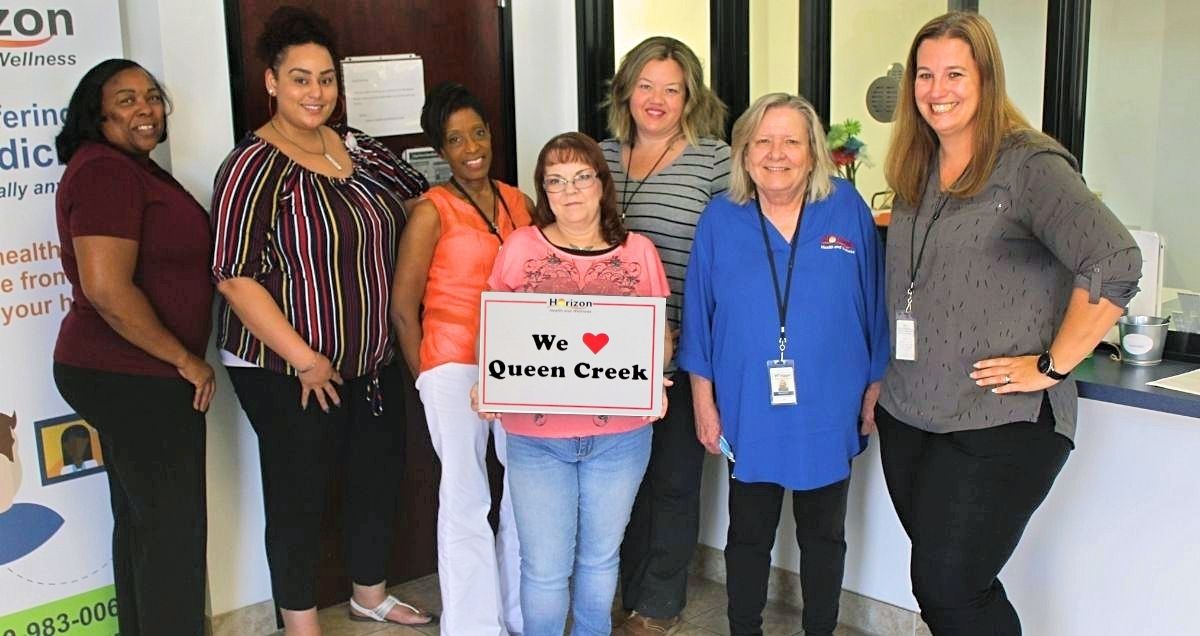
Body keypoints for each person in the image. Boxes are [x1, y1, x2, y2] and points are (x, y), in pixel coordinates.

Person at [877, 12, 1142, 635]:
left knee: (950, 587)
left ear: (987, 79)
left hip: (1001, 420)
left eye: (954, 74)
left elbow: (1114, 260)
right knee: (948, 588)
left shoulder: (1027, 164)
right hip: (911, 415)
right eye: (924, 75)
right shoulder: (917, 169)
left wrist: (1053, 364)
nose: (936, 89)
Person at [209, 7, 431, 634]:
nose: (316, 93)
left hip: (370, 358)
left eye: (326, 79)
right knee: (299, 496)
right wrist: (305, 358)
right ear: (272, 81)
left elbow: (423, 200)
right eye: (300, 78)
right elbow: (233, 274)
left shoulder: (354, 146)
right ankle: (300, 624)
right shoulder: (253, 165)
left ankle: (369, 595)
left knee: (376, 477)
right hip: (285, 368)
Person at [677, 93, 889, 636]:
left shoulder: (847, 210)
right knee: (748, 535)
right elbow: (699, 316)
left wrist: (873, 387)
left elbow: (875, 304)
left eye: (792, 140)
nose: (777, 153)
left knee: (825, 535)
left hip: (829, 404)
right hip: (748, 405)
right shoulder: (721, 219)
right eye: (763, 141)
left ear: (813, 152)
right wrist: (703, 400)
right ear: (745, 154)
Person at [476, 132, 671, 636]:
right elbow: (498, 330)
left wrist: (655, 376)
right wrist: (487, 380)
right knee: (543, 568)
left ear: (602, 185)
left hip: (621, 437)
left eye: (582, 177)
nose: (570, 191)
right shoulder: (520, 248)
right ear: (543, 190)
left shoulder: (639, 252)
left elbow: (659, 331)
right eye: (555, 181)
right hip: (538, 440)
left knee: (601, 560)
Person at [51, 58, 213, 636]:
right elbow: (106, 289)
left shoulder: (129, 167)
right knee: (173, 533)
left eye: (151, 96)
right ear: (96, 113)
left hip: (125, 373)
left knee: (146, 526)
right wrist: (184, 359)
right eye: (126, 100)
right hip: (132, 375)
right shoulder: (105, 174)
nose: (145, 109)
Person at [391, 81, 532, 635]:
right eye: (456, 138)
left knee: (525, 492)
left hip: (518, 364)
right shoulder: (431, 210)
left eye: (478, 132)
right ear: (440, 150)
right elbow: (404, 308)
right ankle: (474, 625)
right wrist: (427, 377)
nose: (471, 146)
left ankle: (521, 617)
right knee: (466, 497)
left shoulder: (519, 201)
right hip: (451, 365)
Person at [599, 36, 730, 634]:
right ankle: (620, 592)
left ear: (689, 98)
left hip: (685, 349)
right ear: (626, 90)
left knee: (674, 480)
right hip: (601, 358)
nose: (656, 100)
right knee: (618, 484)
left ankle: (656, 605)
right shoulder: (595, 156)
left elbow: (734, 256)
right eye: (646, 85)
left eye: (671, 89)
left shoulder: (715, 160)